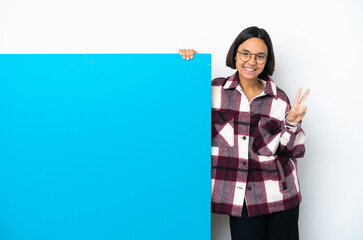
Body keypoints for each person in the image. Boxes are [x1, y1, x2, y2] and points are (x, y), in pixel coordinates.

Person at [179, 26, 309, 240]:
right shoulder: (212, 92)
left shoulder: (279, 100)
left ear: (267, 61)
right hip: (242, 198)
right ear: (235, 54)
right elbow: (181, 114)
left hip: (281, 194)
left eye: (260, 56)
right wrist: (186, 65)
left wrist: (292, 122)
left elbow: (292, 150)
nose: (251, 61)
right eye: (245, 53)